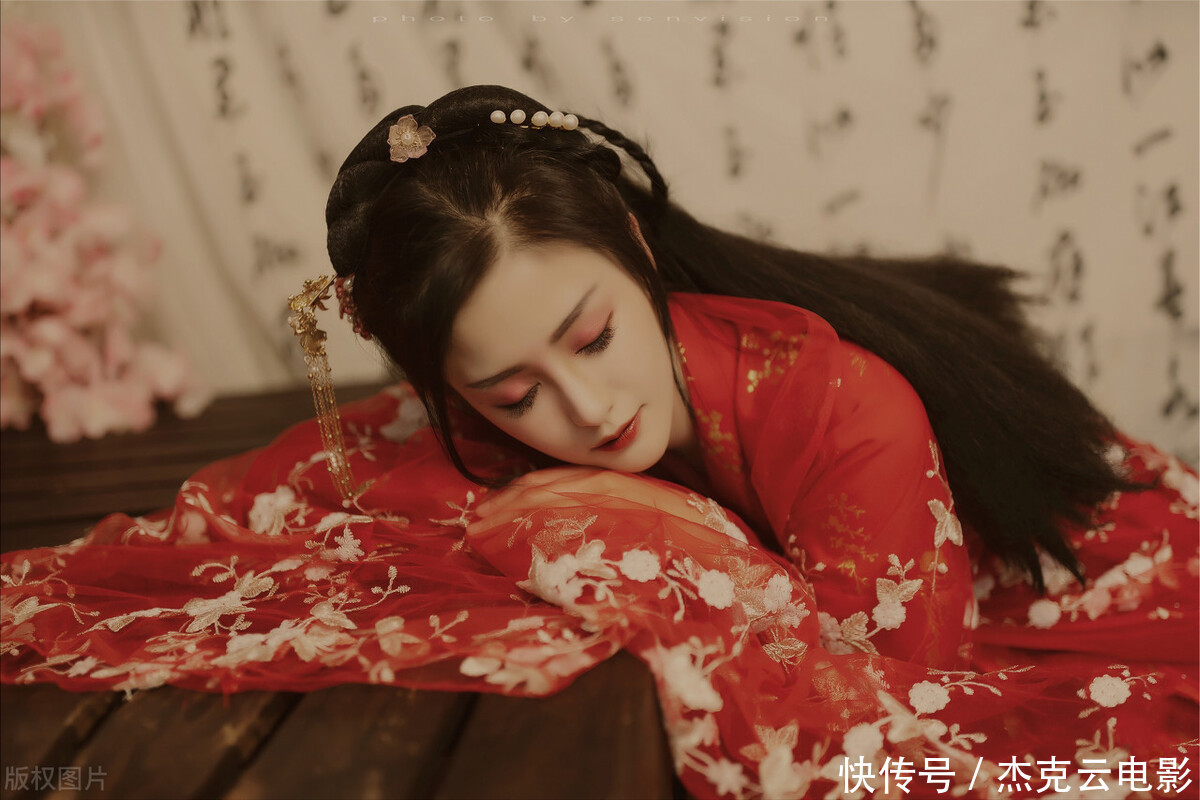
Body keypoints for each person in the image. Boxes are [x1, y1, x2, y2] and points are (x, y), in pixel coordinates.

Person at [3, 85, 1197, 799]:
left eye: (594, 335)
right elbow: (293, 497)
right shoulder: (474, 419)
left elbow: (881, 724)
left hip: (1027, 601)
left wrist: (645, 526)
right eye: (513, 390)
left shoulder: (848, 409)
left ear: (632, 240)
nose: (583, 408)